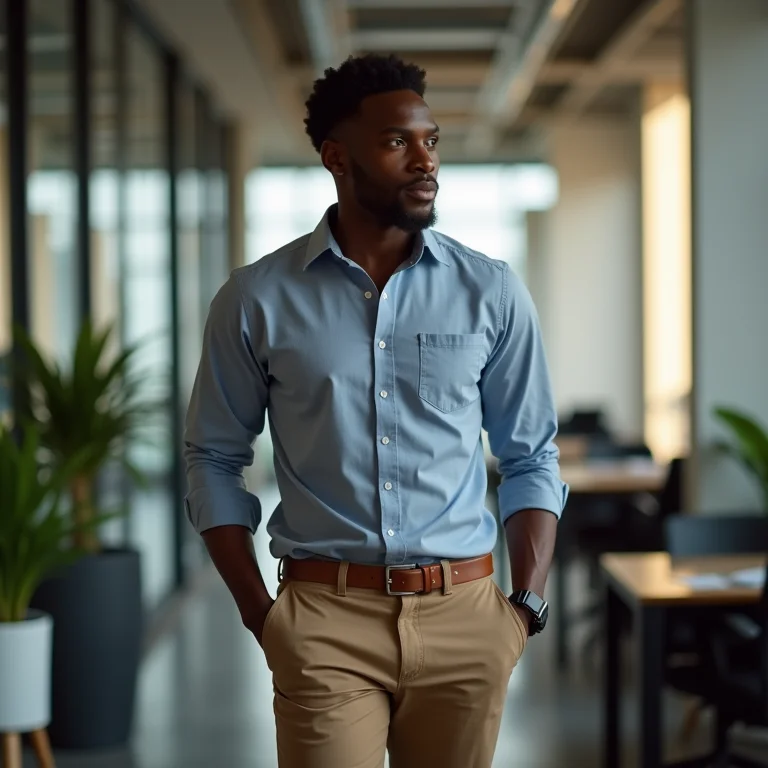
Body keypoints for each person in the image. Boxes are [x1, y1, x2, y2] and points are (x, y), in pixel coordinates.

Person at [184, 53, 567, 768]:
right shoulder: (255, 298)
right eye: (397, 142)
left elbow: (530, 455)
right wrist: (262, 618)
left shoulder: (492, 290)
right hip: (324, 616)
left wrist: (525, 608)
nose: (425, 161)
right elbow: (213, 457)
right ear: (337, 157)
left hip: (467, 614)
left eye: (431, 140)